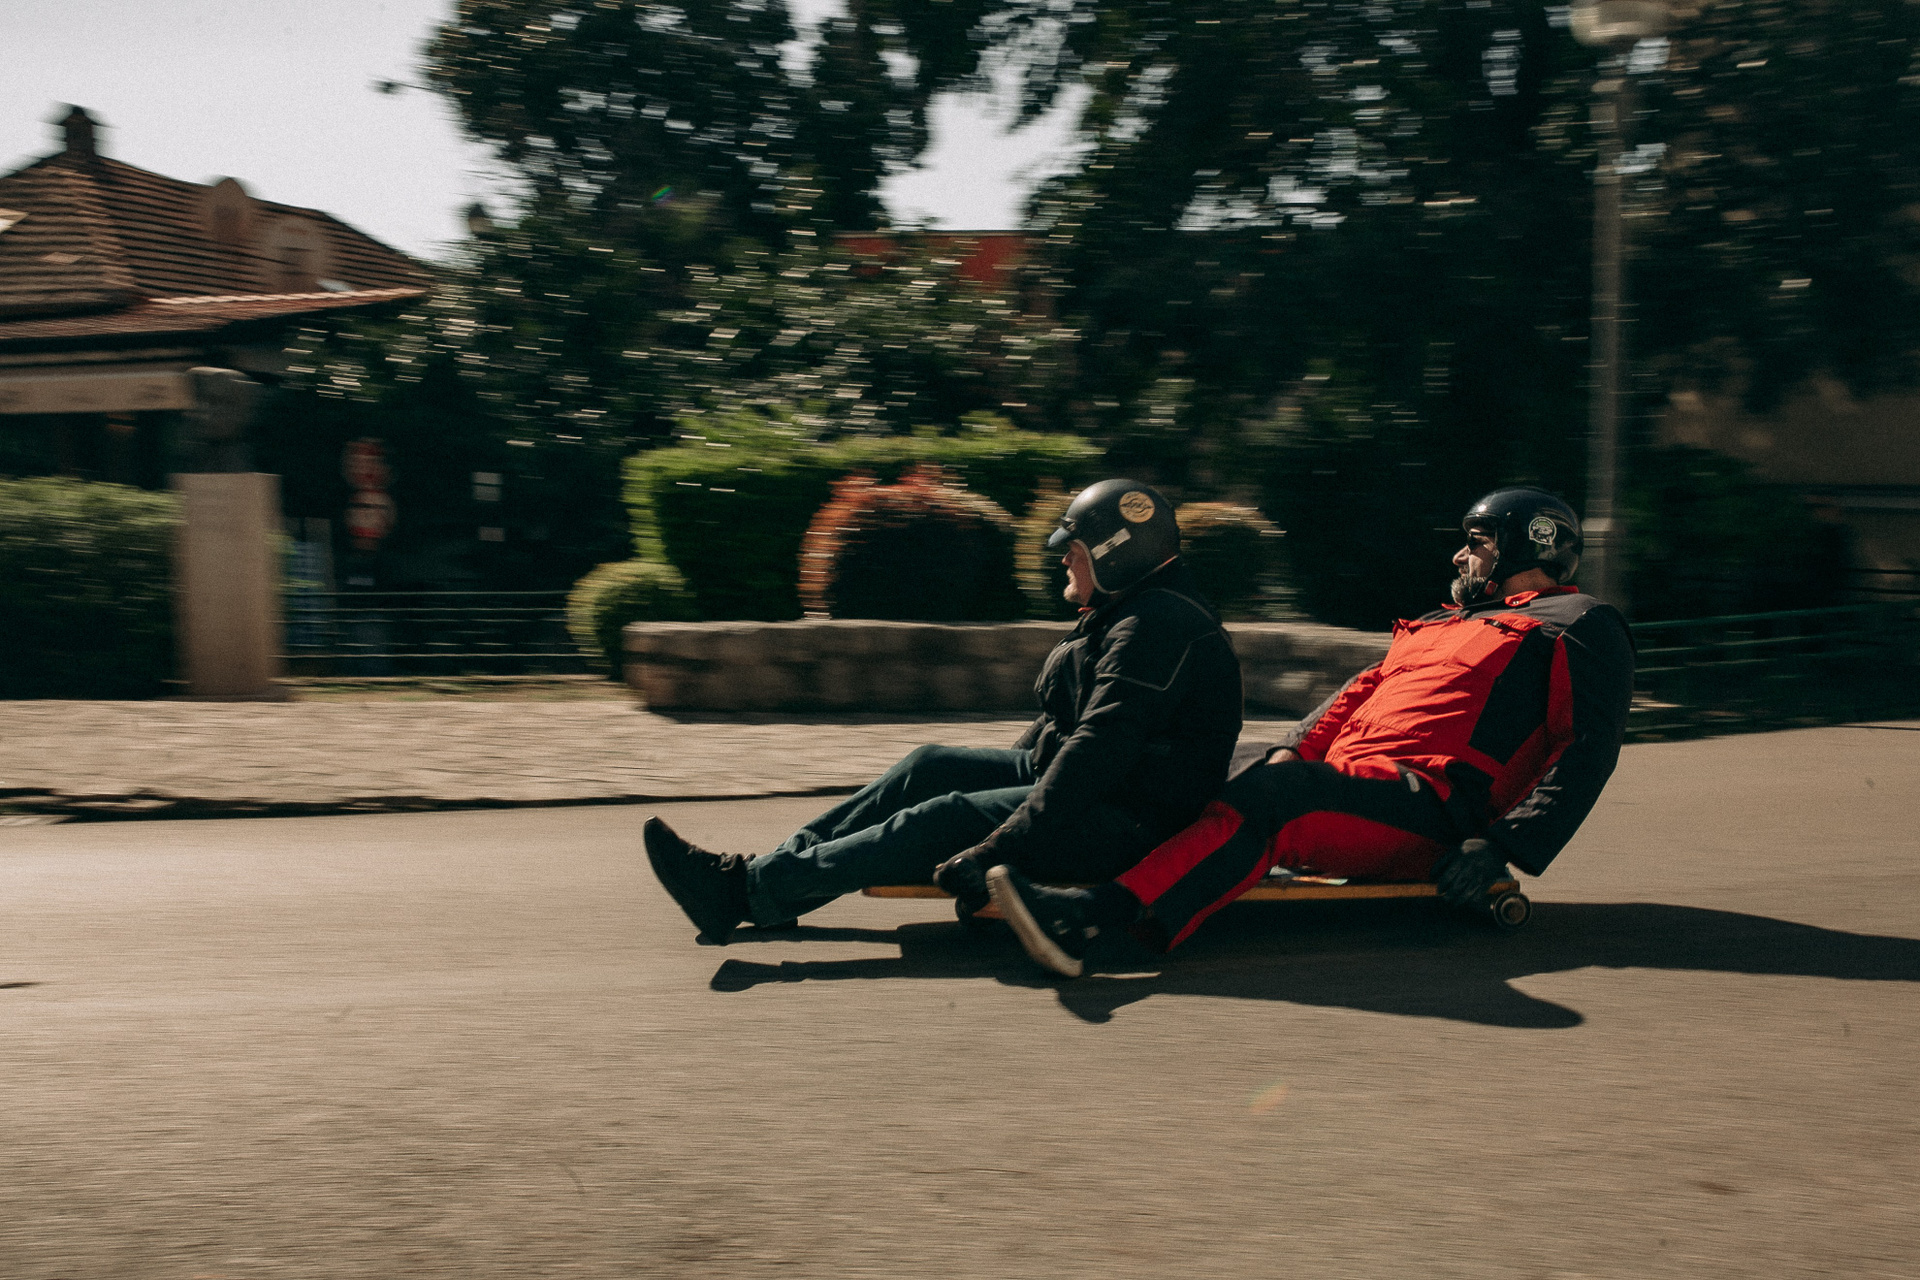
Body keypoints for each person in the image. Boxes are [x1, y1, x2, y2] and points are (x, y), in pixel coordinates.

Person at [987, 486, 1635, 978]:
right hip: (1346, 781)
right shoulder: (1444, 621)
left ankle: (1091, 919)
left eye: (1478, 543)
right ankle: (1015, 851)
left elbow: (1584, 747)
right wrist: (1288, 750)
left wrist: (1502, 846)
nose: (1460, 554)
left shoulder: (1579, 623)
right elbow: (1356, 693)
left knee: (1281, 796)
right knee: (1187, 764)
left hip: (1431, 805)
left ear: (1525, 548)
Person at [643, 479, 1244, 944]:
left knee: (942, 817)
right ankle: (770, 877)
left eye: (1075, 549)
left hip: (1129, 821)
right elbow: (1065, 723)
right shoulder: (1135, 609)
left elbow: (1099, 749)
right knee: (929, 766)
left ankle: (745, 892)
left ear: (1115, 554)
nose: (1064, 559)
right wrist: (994, 785)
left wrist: (999, 844)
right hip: (1091, 786)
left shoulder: (1158, 625)